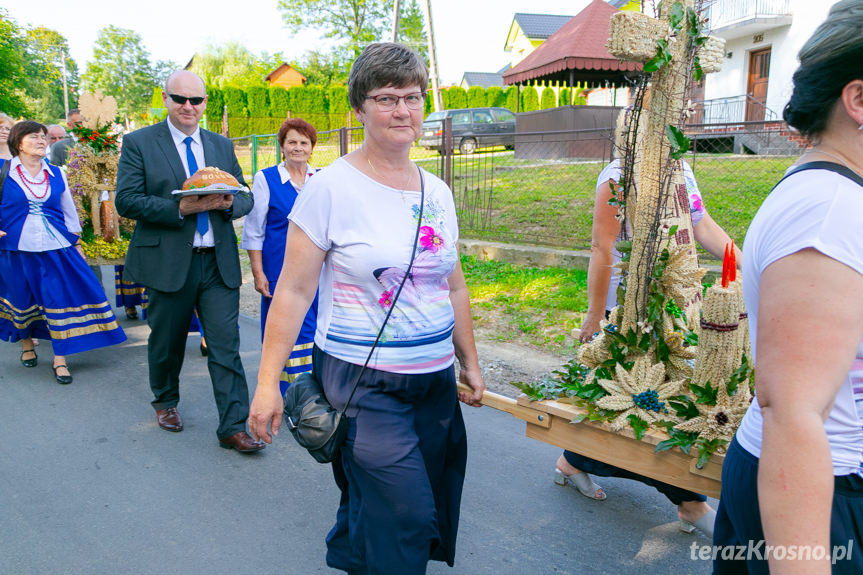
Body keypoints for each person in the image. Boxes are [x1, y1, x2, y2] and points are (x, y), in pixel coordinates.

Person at [249, 42, 486, 574]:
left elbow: (455, 287)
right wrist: (267, 385)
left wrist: (467, 360)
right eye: (386, 98)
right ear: (360, 108)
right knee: (406, 513)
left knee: (395, 503)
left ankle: (359, 557)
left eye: (413, 97)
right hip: (363, 382)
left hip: (433, 380)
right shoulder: (330, 188)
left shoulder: (438, 191)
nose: (403, 110)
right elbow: (292, 290)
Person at [713, 2, 863, 573]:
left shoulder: (831, 191)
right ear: (858, 100)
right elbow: (793, 411)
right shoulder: (830, 212)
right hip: (820, 495)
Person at [554, 104, 743, 537]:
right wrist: (593, 315)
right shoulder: (616, 177)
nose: (678, 135)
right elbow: (603, 249)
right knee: (656, 401)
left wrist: (745, 261)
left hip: (681, 305)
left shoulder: (681, 171)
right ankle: (690, 502)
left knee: (652, 400)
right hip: (634, 311)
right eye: (667, 128)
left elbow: (702, 225)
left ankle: (572, 460)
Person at [115, 70, 264, 453]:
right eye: (180, 98)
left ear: (204, 104)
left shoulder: (221, 145)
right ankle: (165, 400)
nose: (187, 107)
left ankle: (233, 426)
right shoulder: (139, 143)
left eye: (195, 100)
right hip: (168, 262)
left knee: (226, 345)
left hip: (217, 262)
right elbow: (126, 200)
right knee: (166, 342)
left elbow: (245, 194)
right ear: (165, 98)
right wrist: (178, 207)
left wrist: (231, 203)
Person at [0, 121, 126, 384]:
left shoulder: (56, 173)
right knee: (23, 300)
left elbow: (69, 213)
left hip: (56, 247)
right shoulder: (4, 171)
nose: (41, 140)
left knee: (58, 300)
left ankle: (60, 359)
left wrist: (77, 244)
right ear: (18, 142)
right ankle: (27, 345)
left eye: (43, 136)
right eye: (34, 136)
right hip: (16, 248)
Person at [240, 117, 319, 395]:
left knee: (316, 327)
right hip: (279, 269)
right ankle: (290, 391)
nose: (298, 148)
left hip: (317, 270)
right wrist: (258, 272)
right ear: (282, 147)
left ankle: (317, 389)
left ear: (312, 147)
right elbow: (254, 230)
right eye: (292, 142)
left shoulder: (321, 179)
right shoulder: (266, 179)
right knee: (287, 328)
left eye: (304, 143)